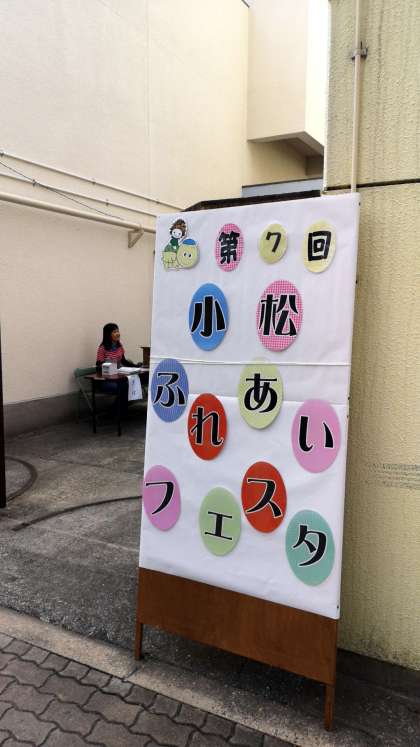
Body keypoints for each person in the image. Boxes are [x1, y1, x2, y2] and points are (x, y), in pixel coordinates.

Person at [96, 323, 135, 416]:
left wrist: (136, 366)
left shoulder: (119, 345)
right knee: (124, 387)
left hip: (119, 378)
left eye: (118, 331)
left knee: (132, 384)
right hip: (107, 381)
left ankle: (116, 409)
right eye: (114, 332)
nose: (118, 334)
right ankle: (116, 410)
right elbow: (98, 366)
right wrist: (109, 366)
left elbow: (124, 361)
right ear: (108, 334)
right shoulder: (102, 348)